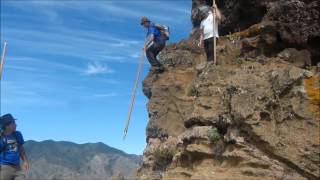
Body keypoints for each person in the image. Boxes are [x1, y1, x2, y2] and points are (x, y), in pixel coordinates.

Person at [0, 114, 30, 180]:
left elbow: (21, 149)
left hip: (17, 168)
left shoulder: (17, 134)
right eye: (13, 123)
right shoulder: (1, 138)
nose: (16, 125)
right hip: (5, 168)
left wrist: (25, 161)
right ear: (7, 125)